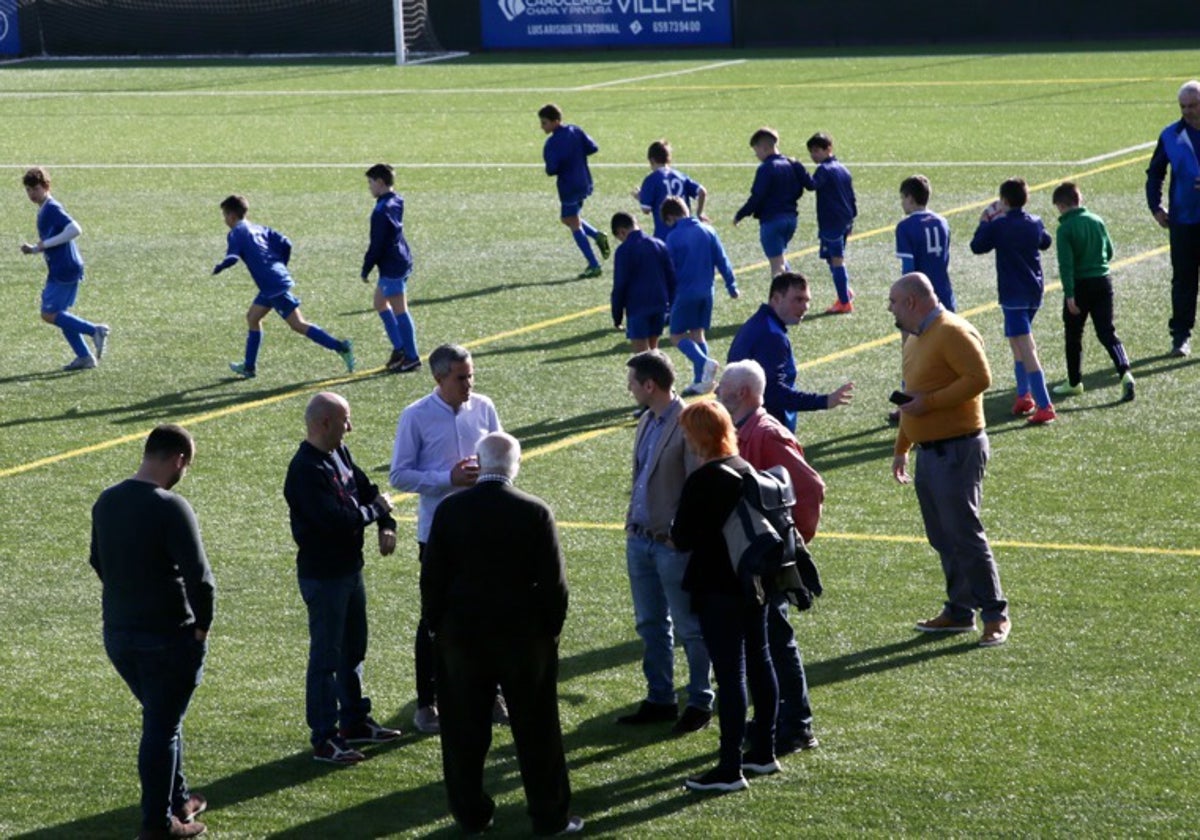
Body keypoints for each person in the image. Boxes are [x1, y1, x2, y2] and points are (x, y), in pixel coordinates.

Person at [422, 432, 582, 836]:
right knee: (537, 729)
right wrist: (549, 631)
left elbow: (432, 578)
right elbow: (554, 585)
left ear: (480, 462)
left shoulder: (450, 509)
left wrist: (438, 626)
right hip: (523, 637)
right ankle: (550, 816)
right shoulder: (534, 511)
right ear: (515, 464)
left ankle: (471, 814)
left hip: (462, 635)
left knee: (463, 731)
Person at [89, 424, 215, 839]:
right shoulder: (170, 506)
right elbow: (201, 580)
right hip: (168, 637)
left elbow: (97, 561)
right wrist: (201, 629)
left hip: (120, 635)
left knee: (164, 720)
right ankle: (158, 826)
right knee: (160, 728)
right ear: (178, 459)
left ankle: (178, 801)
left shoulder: (106, 501)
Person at [888, 272, 1010, 648]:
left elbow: (980, 378)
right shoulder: (916, 339)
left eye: (893, 302)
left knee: (965, 534)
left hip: (958, 448)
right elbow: (913, 397)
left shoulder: (953, 331)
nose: (889, 309)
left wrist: (931, 404)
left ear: (911, 301)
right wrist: (902, 445)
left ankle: (995, 614)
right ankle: (960, 611)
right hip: (930, 451)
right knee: (943, 536)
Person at [390, 344, 503, 735]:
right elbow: (399, 475)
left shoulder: (484, 407)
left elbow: (502, 456)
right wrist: (446, 479)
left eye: (471, 375)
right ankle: (427, 703)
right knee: (435, 618)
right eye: (461, 377)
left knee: (490, 612)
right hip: (438, 535)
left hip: (484, 529)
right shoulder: (416, 416)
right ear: (439, 378)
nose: (469, 384)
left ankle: (491, 695)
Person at [284, 392, 402, 765]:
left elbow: (369, 492)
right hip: (324, 576)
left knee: (353, 650)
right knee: (326, 658)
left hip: (350, 570)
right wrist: (375, 511)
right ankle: (324, 737)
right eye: (345, 420)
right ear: (323, 423)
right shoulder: (305, 470)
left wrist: (386, 521)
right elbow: (335, 520)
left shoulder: (340, 454)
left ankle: (354, 720)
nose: (349, 427)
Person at [716, 359, 824, 755]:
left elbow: (810, 488)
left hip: (766, 561)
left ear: (742, 393)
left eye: (721, 390)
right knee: (762, 644)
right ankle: (775, 718)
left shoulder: (766, 434)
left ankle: (796, 725)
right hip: (750, 558)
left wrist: (788, 546)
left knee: (777, 643)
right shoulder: (744, 430)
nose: (716, 395)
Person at [672, 400, 779, 793]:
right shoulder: (743, 467)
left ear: (699, 435)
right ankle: (763, 751)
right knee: (760, 661)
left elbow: (682, 537)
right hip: (753, 583)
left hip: (718, 588)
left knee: (731, 676)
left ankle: (729, 768)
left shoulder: (704, 479)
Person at [619, 350, 714, 733]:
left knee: (689, 626)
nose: (629, 390)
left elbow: (698, 485)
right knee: (650, 624)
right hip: (640, 540)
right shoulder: (647, 421)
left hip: (671, 545)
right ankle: (660, 697)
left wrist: (681, 536)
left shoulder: (688, 422)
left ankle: (700, 700)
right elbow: (641, 476)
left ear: (649, 385)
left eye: (632, 384)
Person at [213, 195, 355, 378]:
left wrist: (220, 267)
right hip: (272, 282)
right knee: (252, 317)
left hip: (273, 286)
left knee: (298, 324)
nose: (224, 220)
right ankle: (249, 367)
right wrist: (279, 265)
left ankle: (341, 347)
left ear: (231, 216)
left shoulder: (236, 233)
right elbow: (286, 243)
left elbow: (232, 257)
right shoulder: (258, 228)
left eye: (224, 216)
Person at [969, 178, 1056, 425]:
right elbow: (1046, 242)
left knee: (1027, 349)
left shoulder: (999, 226)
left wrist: (985, 222)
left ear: (1004, 201)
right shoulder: (1034, 222)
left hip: (1012, 293)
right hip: (1034, 292)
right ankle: (1023, 395)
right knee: (1017, 344)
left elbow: (977, 246)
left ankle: (1044, 404)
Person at [727, 271, 854, 433]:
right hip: (764, 430)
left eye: (807, 300)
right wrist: (824, 401)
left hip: (745, 423)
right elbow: (774, 393)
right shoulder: (772, 336)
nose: (805, 307)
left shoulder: (757, 323)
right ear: (776, 299)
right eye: (798, 300)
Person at [1050, 181, 1135, 402]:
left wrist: (1069, 294)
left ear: (1061, 205)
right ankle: (1125, 372)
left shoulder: (1065, 228)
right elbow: (1110, 251)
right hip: (1103, 281)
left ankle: (1074, 381)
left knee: (1074, 334)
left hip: (1080, 285)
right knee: (1107, 331)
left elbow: (1066, 265)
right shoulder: (1097, 221)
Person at [20, 167, 110, 371]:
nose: (31, 194)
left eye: (34, 188)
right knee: (61, 315)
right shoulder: (44, 208)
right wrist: (35, 249)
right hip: (63, 267)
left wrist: (44, 245)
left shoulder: (52, 207)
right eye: (28, 190)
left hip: (65, 268)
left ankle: (94, 330)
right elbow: (51, 240)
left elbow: (75, 229)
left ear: (45, 186)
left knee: (48, 314)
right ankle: (85, 357)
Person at [891, 174, 956, 424]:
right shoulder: (943, 222)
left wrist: (902, 301)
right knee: (945, 350)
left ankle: (908, 403)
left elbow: (909, 270)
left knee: (911, 352)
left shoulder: (905, 226)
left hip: (916, 301)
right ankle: (947, 399)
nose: (902, 203)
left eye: (902, 198)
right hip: (944, 294)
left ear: (909, 198)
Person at [662, 196, 739, 396]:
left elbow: (668, 270)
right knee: (697, 333)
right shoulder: (708, 230)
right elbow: (722, 259)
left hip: (684, 293)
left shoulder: (673, 237)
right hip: (707, 292)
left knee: (676, 335)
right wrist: (731, 284)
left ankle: (703, 363)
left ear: (670, 217)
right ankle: (700, 382)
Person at [1145, 79, 1200, 357]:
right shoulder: (1170, 135)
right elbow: (1155, 172)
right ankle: (1181, 337)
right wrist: (1155, 206)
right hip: (1184, 220)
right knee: (1183, 280)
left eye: (1192, 105)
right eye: (1183, 106)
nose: (1188, 111)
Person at [539, 103, 610, 279]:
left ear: (555, 121)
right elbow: (593, 148)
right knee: (568, 218)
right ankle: (597, 235)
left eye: (544, 123)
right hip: (585, 181)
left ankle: (594, 265)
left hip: (568, 186)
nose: (542, 126)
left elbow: (551, 170)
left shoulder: (552, 143)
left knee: (573, 223)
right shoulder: (575, 130)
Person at [361, 163, 420, 373]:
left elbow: (377, 243)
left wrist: (366, 266)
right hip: (401, 259)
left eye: (370, 183)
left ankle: (411, 356)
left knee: (400, 310)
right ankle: (400, 348)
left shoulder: (381, 210)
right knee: (379, 302)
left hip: (392, 265)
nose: (369, 187)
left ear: (379, 182)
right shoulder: (395, 200)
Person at [733, 127, 808, 278]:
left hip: (772, 221)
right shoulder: (791, 164)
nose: (756, 155)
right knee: (780, 257)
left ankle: (782, 299)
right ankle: (792, 293)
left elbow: (757, 196)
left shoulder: (766, 168)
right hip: (791, 219)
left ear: (764, 147)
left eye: (756, 151)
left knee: (776, 266)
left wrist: (740, 215)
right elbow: (800, 189)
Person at [805, 133, 858, 314]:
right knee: (833, 259)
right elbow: (852, 197)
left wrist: (798, 169)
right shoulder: (843, 169)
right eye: (811, 152)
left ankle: (844, 302)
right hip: (844, 221)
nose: (813, 155)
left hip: (831, 222)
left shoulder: (824, 170)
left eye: (817, 151)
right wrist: (852, 220)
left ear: (829, 149)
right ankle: (846, 292)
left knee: (836, 260)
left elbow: (812, 185)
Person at [611, 211, 676, 353]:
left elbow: (620, 286)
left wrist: (617, 316)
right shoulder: (659, 244)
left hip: (637, 308)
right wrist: (672, 305)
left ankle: (651, 375)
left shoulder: (623, 251)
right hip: (659, 306)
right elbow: (671, 278)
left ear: (621, 232)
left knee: (641, 356)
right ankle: (661, 375)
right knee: (654, 350)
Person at [632, 138, 708, 241]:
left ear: (652, 160)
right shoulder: (681, 176)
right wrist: (699, 213)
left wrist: (640, 197)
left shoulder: (651, 179)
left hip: (664, 235)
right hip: (686, 234)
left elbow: (646, 209)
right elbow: (702, 191)